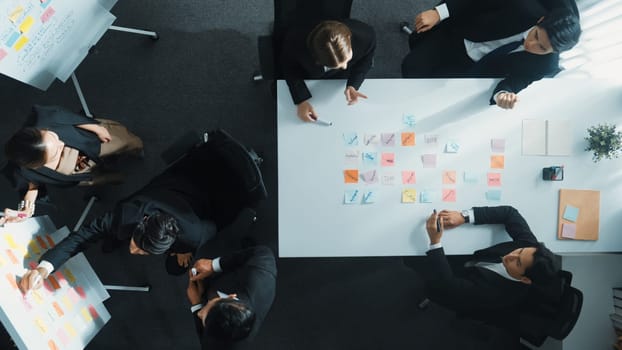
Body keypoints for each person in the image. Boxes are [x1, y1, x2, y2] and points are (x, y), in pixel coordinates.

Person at [17, 142, 231, 293]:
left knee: (174, 268)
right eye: (136, 244)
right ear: (140, 223)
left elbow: (215, 225)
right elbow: (81, 236)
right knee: (110, 232)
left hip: (201, 195)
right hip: (171, 183)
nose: (132, 251)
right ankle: (115, 237)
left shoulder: (195, 234)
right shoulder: (125, 213)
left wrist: (185, 249)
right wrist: (45, 269)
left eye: (141, 251)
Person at [400, 0, 581, 109]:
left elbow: (521, 79)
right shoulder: (521, 7)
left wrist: (504, 93)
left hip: (475, 68)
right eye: (535, 36)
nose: (530, 45)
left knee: (434, 97)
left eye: (541, 48)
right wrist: (439, 13)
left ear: (554, 52)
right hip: (457, 37)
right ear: (541, 20)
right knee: (412, 68)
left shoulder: (546, 65)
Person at [419, 206, 560, 330]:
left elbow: (448, 284)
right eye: (520, 251)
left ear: (525, 279)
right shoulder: (531, 248)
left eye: (517, 263)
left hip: (454, 285)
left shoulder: (499, 295)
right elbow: (510, 213)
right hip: (470, 262)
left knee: (414, 261)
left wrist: (435, 241)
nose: (511, 255)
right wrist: (464, 217)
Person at [1, 105, 143, 224]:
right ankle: (116, 177)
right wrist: (25, 211)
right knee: (101, 178)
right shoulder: (21, 171)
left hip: (86, 141)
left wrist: (96, 128)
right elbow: (32, 186)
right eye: (56, 152)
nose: (61, 143)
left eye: (54, 137)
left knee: (121, 142)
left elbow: (69, 118)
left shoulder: (43, 119)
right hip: (75, 176)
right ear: (36, 166)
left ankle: (135, 147)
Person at [281, 19, 376, 122]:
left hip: (336, 84)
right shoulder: (295, 42)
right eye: (337, 65)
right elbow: (289, 67)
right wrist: (301, 100)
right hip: (310, 75)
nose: (345, 67)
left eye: (346, 60)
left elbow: (366, 60)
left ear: (349, 38)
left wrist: (353, 85)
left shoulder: (367, 36)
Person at [187, 245, 277, 349]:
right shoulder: (261, 272)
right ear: (230, 297)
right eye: (208, 305)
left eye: (205, 321)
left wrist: (197, 303)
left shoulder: (229, 345)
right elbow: (263, 252)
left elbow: (205, 342)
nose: (199, 314)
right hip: (239, 271)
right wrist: (214, 265)